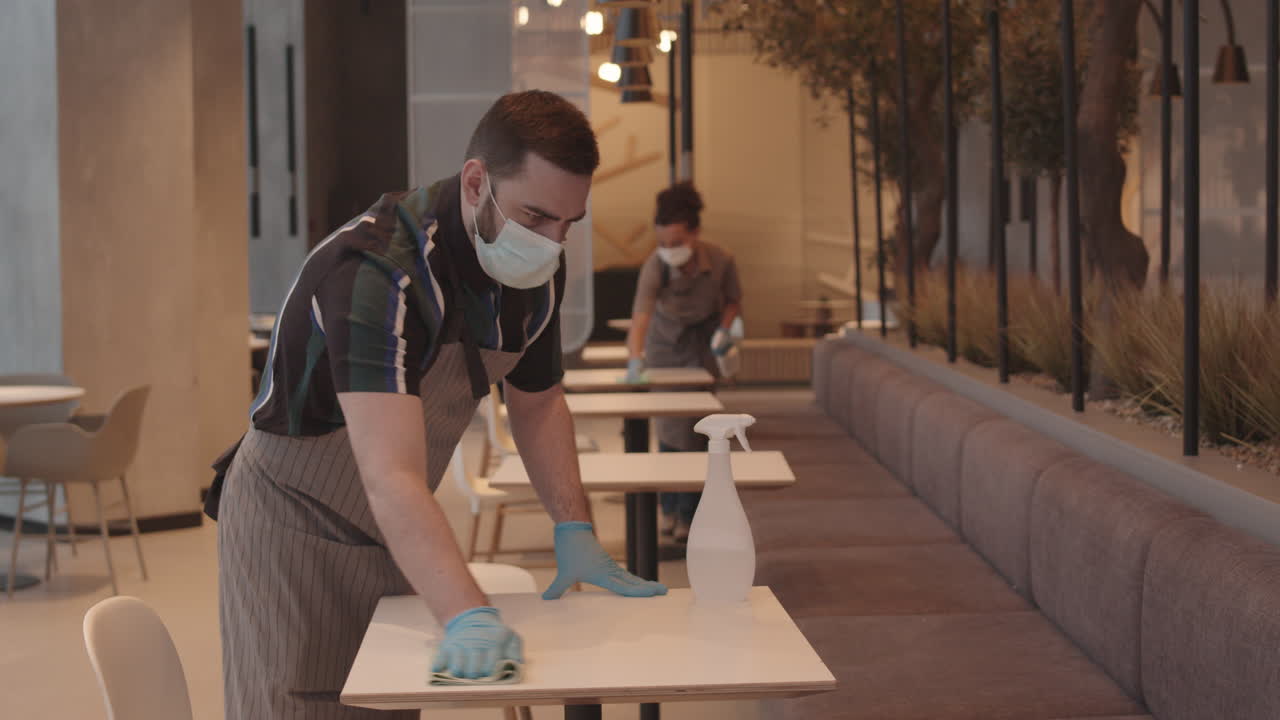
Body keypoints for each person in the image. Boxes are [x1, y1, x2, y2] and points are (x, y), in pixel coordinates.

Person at [205, 90, 667, 720]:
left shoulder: (535, 272)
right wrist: (469, 613)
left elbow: (537, 403)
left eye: (568, 223)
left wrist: (573, 525)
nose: (553, 242)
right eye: (535, 217)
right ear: (476, 182)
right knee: (305, 703)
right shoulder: (377, 271)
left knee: (391, 704)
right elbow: (388, 472)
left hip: (396, 528)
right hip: (294, 523)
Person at [624, 182, 743, 542]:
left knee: (698, 433)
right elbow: (640, 317)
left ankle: (690, 515)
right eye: (662, 244)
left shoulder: (721, 260)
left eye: (676, 243)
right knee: (670, 431)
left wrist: (725, 332)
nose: (668, 251)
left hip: (702, 351)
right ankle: (669, 509)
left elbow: (733, 302)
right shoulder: (654, 267)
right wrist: (635, 359)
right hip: (665, 351)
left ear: (695, 233)